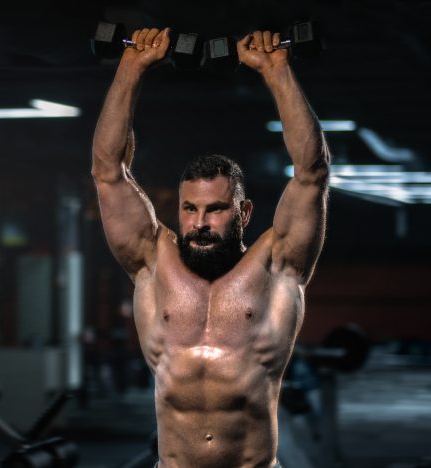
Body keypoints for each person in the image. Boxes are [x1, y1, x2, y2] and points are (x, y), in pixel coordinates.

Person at [91, 26, 330, 468]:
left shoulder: (278, 266)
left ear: (243, 213)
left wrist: (277, 71)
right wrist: (131, 66)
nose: (199, 223)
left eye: (216, 209)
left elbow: (311, 173)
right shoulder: (151, 261)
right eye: (189, 209)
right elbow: (108, 171)